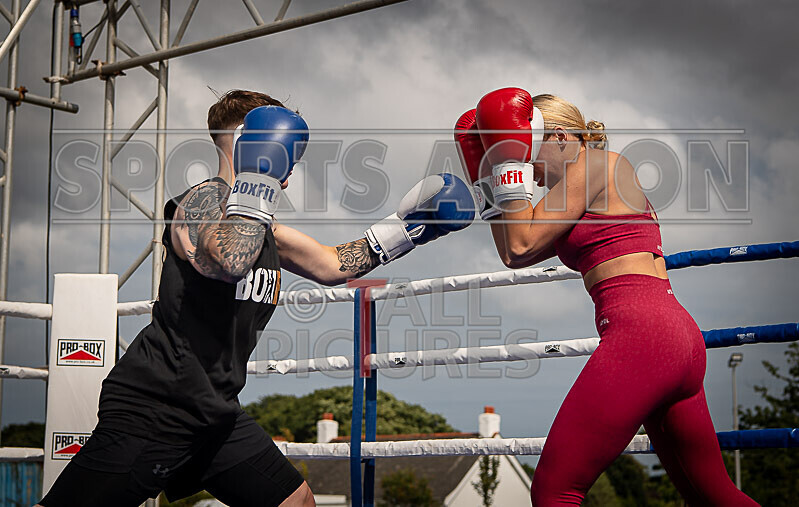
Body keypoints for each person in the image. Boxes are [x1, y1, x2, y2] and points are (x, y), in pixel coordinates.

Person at [39, 90, 474, 507]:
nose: (290, 169)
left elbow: (332, 265)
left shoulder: (264, 227)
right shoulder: (200, 203)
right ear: (250, 141)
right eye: (285, 152)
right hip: (157, 405)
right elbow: (228, 260)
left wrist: (408, 229)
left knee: (294, 500)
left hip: (215, 413)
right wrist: (258, 180)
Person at [455, 87, 758, 506]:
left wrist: (503, 163)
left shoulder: (598, 165)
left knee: (555, 490)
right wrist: (490, 177)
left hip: (644, 337)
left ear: (560, 137)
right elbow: (513, 253)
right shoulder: (577, 193)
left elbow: (520, 243)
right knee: (714, 497)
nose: (526, 167)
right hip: (672, 339)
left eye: (527, 150)